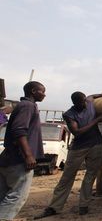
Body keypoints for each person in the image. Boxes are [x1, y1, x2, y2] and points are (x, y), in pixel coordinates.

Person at [35, 92, 102, 219]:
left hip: (96, 145)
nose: (84, 104)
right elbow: (77, 132)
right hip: (79, 148)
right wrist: (96, 121)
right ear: (75, 103)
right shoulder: (69, 114)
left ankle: (84, 205)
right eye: (81, 102)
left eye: (84, 101)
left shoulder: (89, 102)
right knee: (67, 177)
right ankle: (54, 207)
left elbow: (94, 96)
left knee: (90, 175)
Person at [0, 81, 46, 220]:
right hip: (19, 160)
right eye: (42, 91)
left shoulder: (24, 106)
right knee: (17, 197)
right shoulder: (27, 106)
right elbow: (19, 131)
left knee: (3, 195)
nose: (44, 94)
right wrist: (29, 155)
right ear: (33, 91)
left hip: (9, 158)